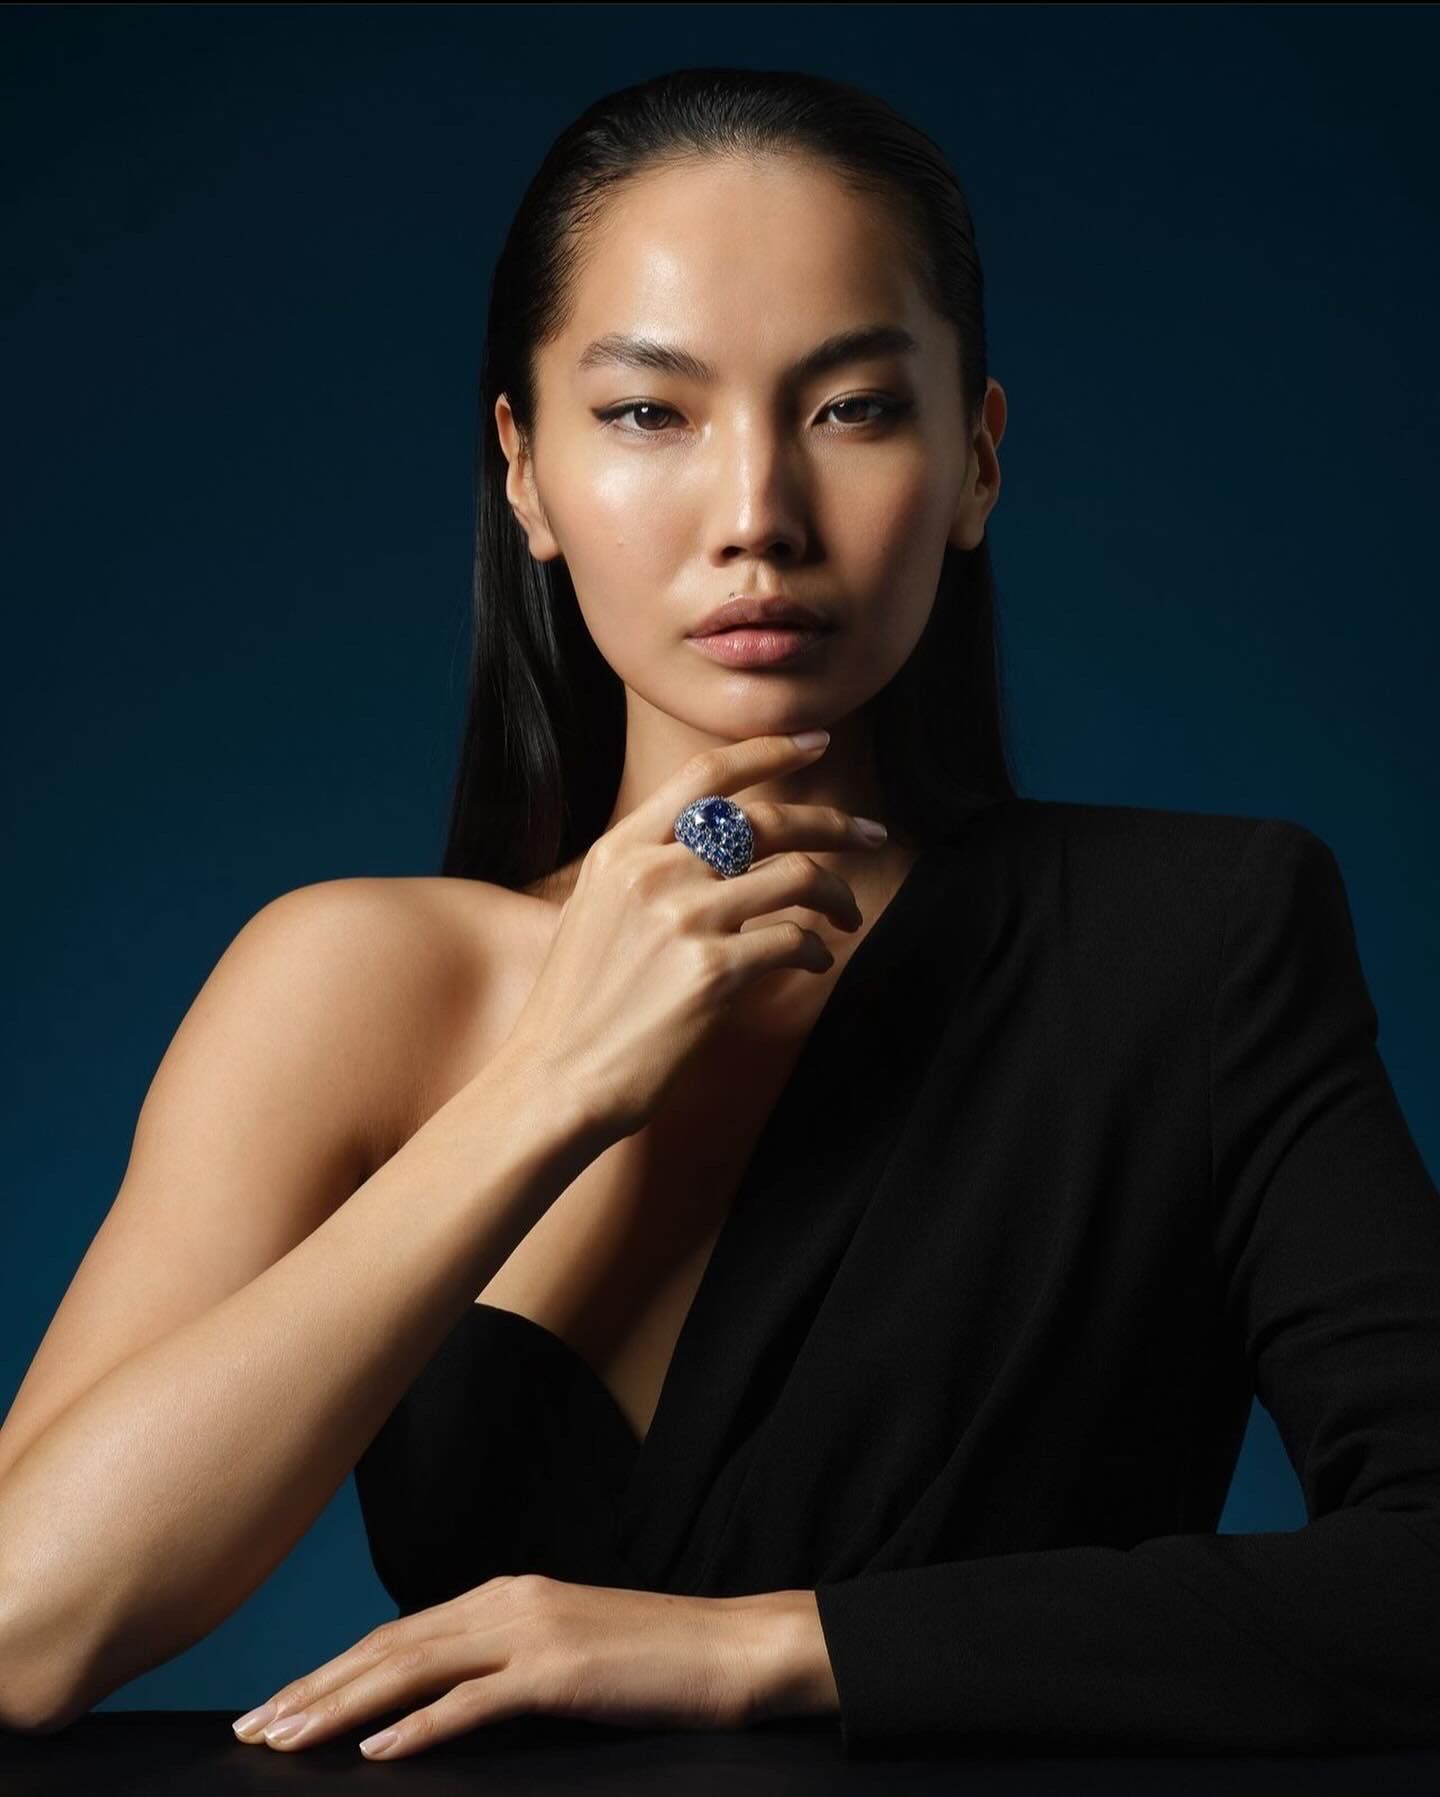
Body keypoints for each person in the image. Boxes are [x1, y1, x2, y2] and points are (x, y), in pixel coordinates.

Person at [2, 66, 1436, 1766]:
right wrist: (551, 1085)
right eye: (646, 414)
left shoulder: (1201, 941)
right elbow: (29, 1626)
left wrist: (768, 1648)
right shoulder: (350, 981)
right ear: (521, 473)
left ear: (977, 462)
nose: (755, 512)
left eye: (849, 408)